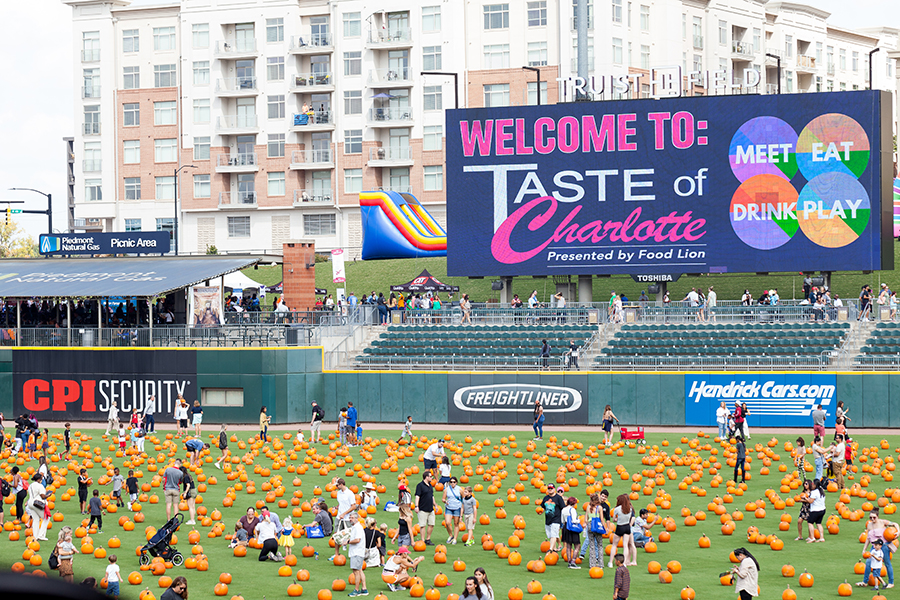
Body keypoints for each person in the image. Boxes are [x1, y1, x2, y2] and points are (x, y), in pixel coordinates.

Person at [859, 508, 898, 589]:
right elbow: (868, 539)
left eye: (874, 517)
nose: (872, 519)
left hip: (884, 546)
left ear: (877, 516)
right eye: (870, 517)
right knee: (868, 563)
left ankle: (891, 582)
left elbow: (895, 524)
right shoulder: (869, 525)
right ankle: (865, 582)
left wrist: (898, 531)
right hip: (874, 547)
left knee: (887, 563)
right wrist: (864, 549)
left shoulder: (883, 522)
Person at [333, 477, 359, 560]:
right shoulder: (339, 493)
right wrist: (336, 508)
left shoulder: (350, 493)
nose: (336, 487)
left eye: (337, 485)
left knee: (349, 535)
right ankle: (336, 554)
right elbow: (341, 503)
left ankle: (351, 553)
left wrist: (344, 513)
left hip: (347, 518)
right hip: (339, 516)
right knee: (336, 535)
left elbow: (353, 506)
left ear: (341, 484)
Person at [584, 491, 609, 567]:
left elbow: (585, 519)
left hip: (590, 526)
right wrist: (606, 529)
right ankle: (600, 563)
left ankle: (592, 564)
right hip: (597, 526)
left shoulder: (588, 507)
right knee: (599, 545)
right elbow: (602, 519)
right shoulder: (599, 508)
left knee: (591, 545)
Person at [610, 494, 636, 567]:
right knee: (625, 546)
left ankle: (610, 562)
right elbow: (630, 518)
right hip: (627, 527)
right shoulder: (629, 509)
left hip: (620, 527)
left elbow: (614, 519)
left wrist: (617, 519)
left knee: (614, 545)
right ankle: (624, 563)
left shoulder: (617, 509)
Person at [347, 516, 367, 597]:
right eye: (350, 517)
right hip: (358, 552)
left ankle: (356, 590)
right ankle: (364, 589)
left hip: (357, 552)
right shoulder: (356, 527)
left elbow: (357, 540)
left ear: (356, 518)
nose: (350, 519)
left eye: (352, 518)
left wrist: (348, 542)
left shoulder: (357, 527)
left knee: (356, 571)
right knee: (359, 570)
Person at [540, 483, 564, 553]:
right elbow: (542, 508)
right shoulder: (545, 498)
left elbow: (563, 508)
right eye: (549, 488)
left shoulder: (558, 498)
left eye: (551, 488)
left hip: (556, 519)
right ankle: (554, 550)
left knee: (554, 534)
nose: (550, 490)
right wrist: (540, 511)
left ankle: (550, 549)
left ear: (554, 489)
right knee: (550, 535)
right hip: (548, 520)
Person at [415, 471, 436, 545]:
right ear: (426, 477)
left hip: (430, 509)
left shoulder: (430, 485)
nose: (431, 478)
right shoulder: (420, 485)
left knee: (431, 524)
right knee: (423, 525)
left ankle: (428, 539)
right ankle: (422, 540)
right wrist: (416, 506)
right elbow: (417, 496)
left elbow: (432, 496)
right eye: (430, 476)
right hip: (422, 509)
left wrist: (435, 504)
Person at [27, 472, 50, 540]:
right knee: (46, 518)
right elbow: (43, 496)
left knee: (36, 519)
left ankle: (35, 536)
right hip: (37, 503)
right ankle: (41, 535)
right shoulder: (40, 486)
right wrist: (48, 495)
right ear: (40, 479)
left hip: (30, 503)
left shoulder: (31, 485)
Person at [561, 496, 582, 569]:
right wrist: (578, 520)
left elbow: (562, 521)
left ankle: (569, 561)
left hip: (566, 527)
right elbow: (573, 520)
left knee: (568, 545)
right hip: (572, 528)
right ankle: (573, 561)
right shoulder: (572, 509)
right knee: (577, 545)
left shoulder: (564, 509)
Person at [442, 476, 463, 545]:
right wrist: (445, 501)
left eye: (454, 482)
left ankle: (455, 538)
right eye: (451, 482)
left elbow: (463, 499)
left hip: (457, 507)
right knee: (447, 522)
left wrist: (462, 509)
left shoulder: (459, 489)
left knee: (456, 523)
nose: (452, 483)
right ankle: (451, 535)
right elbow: (443, 499)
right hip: (449, 507)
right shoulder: (447, 489)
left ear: (456, 482)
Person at [806, 478, 826, 543]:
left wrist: (805, 498)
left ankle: (812, 537)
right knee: (818, 523)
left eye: (812, 484)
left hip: (815, 510)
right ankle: (821, 538)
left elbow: (810, 501)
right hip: (822, 509)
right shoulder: (821, 491)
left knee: (810, 523)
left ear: (815, 485)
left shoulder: (814, 492)